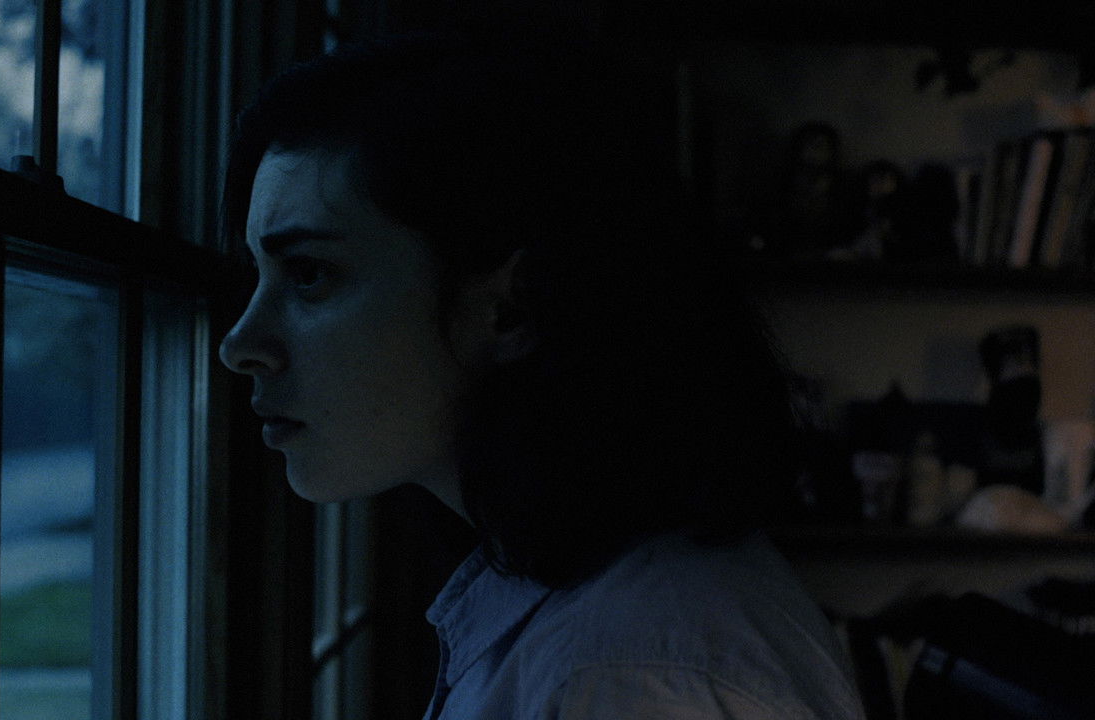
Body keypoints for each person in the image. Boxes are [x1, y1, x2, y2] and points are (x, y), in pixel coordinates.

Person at [217, 26, 865, 719]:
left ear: (510, 309)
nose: (240, 344)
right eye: (257, 275)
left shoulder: (622, 673)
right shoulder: (594, 602)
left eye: (310, 274)